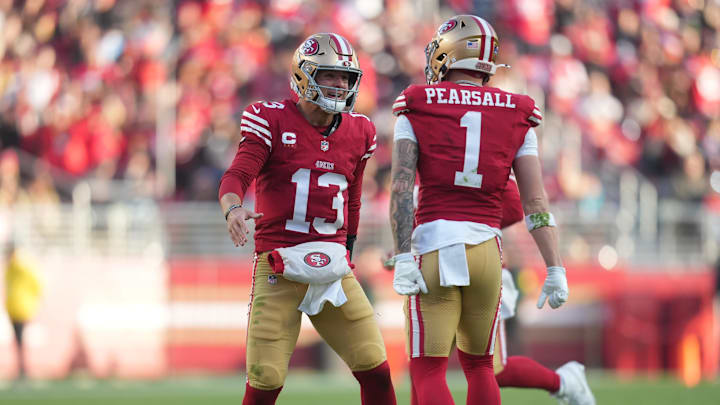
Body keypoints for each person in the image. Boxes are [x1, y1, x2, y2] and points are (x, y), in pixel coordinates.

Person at [389, 15, 569, 405]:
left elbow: (402, 188)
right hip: (488, 251)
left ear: (447, 54)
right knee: (482, 368)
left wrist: (403, 254)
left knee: (429, 370)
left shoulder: (418, 102)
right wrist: (554, 266)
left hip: (434, 244)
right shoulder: (518, 109)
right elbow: (536, 203)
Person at [218, 33, 396, 405]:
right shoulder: (270, 118)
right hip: (278, 264)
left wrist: (348, 250)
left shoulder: (360, 131)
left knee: (376, 368)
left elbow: (355, 200)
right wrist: (234, 208)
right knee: (265, 380)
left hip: (332, 265)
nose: (340, 85)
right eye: (331, 75)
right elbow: (237, 175)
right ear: (304, 75)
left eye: (346, 78)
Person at [494, 178, 596, 405]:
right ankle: (564, 382)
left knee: (490, 368)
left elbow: (528, 204)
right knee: (425, 362)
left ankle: (562, 382)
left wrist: (555, 267)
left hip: (479, 263)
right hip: (437, 260)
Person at [4, 241, 43, 379]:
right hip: (15, 308)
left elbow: (36, 283)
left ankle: (23, 370)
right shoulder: (12, 267)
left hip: (20, 308)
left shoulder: (19, 265)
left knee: (20, 340)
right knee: (18, 341)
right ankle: (21, 369)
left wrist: (34, 301)